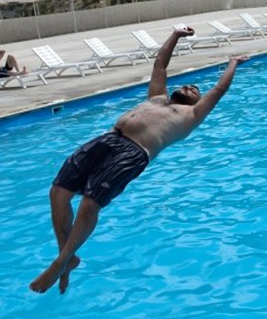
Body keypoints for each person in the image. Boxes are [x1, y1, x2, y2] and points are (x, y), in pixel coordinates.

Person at [29, 27, 250, 294]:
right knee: (58, 193)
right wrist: (176, 35)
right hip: (106, 139)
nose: (190, 87)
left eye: (194, 89)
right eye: (188, 84)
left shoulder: (192, 114)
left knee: (89, 204)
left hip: (132, 152)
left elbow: (220, 88)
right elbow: (160, 64)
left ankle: (60, 262)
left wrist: (233, 63)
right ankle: (67, 257)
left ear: (197, 101)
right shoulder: (157, 98)